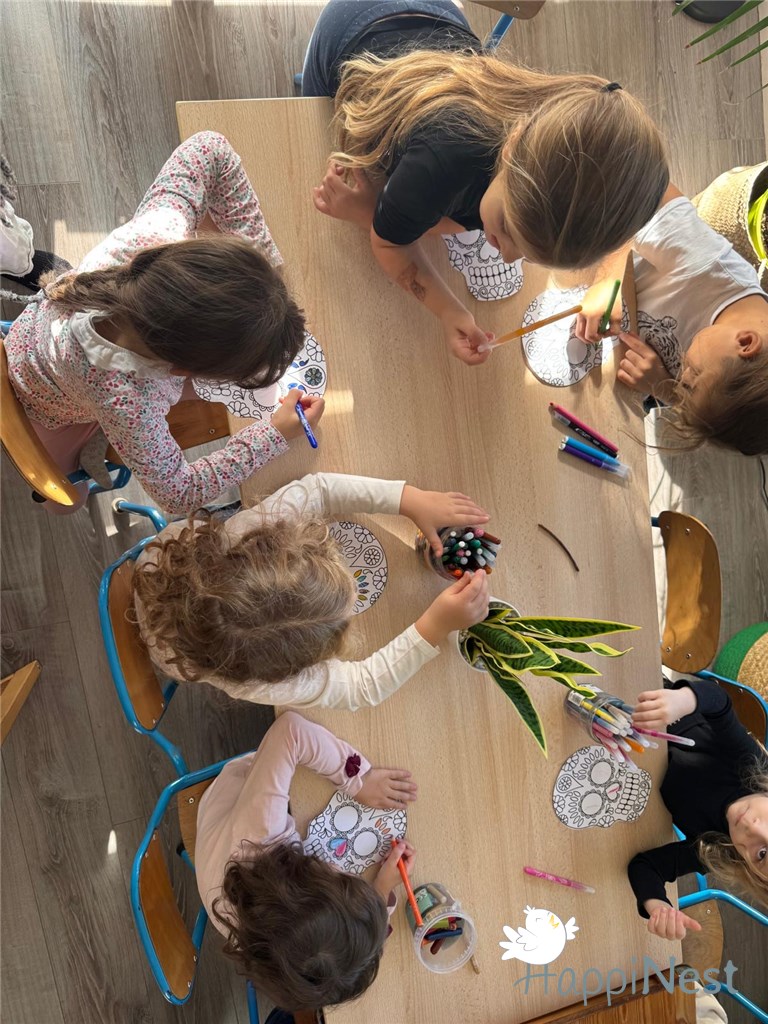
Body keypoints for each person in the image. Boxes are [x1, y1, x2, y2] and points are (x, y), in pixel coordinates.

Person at [305, 2, 669, 365]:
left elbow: (451, 219)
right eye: (509, 231)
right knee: (306, 119)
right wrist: (372, 216)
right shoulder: (442, 161)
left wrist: (607, 279)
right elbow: (388, 243)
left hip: (439, 21)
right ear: (510, 148)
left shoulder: (552, 129)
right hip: (354, 28)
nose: (506, 256)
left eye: (526, 254)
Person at [3, 132, 319, 514]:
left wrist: (269, 271)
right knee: (64, 503)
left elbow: (211, 148)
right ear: (180, 370)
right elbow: (179, 494)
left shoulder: (155, 235)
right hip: (43, 405)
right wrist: (274, 434)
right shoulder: (129, 401)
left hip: (38, 338)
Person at [133, 472, 491, 709]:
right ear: (295, 667)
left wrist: (408, 499)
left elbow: (320, 489)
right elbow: (362, 688)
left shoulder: (241, 538)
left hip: (159, 564)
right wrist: (434, 626)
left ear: (276, 544)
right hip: (164, 625)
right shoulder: (256, 683)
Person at [195, 710, 417, 1013]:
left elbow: (290, 731)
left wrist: (359, 781)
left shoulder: (261, 832)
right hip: (222, 859)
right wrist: (379, 892)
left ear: (305, 885)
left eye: (342, 879)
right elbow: (337, 957)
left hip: (227, 809)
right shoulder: (277, 947)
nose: (341, 868)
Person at [575, 184, 768, 456]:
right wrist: (608, 278)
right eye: (693, 376)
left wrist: (664, 385)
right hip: (584, 264)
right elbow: (640, 183)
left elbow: (702, 404)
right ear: (746, 342)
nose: (682, 377)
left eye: (686, 387)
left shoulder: (725, 378)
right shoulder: (704, 264)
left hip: (604, 383)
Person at [627, 678, 768, 941]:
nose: (753, 828)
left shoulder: (718, 850)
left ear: (749, 869)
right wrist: (684, 700)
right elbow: (719, 704)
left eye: (762, 854)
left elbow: (646, 866)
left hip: (626, 759)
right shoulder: (753, 766)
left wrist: (658, 906)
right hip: (645, 702)